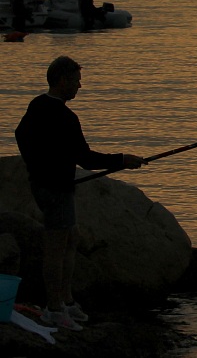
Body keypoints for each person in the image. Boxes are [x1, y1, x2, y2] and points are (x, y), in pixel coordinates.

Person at [14, 56, 147, 331]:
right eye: (76, 80)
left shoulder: (37, 105)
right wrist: (123, 159)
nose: (79, 86)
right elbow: (86, 159)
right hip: (56, 189)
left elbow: (20, 135)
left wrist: (37, 166)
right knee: (55, 247)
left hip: (44, 185)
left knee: (70, 237)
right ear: (62, 80)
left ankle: (66, 300)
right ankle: (54, 309)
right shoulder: (65, 117)